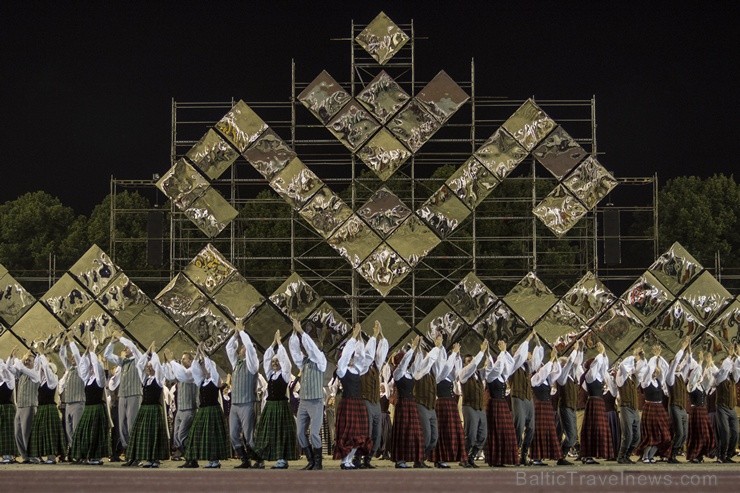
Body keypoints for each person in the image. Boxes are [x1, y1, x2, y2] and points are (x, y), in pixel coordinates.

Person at [253, 330, 297, 469]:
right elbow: (266, 359)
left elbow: (287, 363)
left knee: (281, 433)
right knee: (265, 432)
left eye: (277, 361)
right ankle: (261, 459)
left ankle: (282, 460)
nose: (275, 363)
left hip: (281, 406)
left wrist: (279, 344)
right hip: (270, 407)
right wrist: (273, 344)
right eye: (274, 361)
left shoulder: (284, 375)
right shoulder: (270, 375)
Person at [288, 319, 327, 470]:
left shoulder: (321, 360)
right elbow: (294, 352)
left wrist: (302, 332)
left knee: (314, 434)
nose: (307, 349)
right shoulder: (303, 362)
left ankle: (318, 463)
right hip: (304, 402)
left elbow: (313, 350)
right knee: (300, 433)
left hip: (316, 401)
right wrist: (294, 334)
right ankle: (311, 460)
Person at [183, 346, 230, 469]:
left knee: (212, 435)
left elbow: (212, 369)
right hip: (203, 410)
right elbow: (195, 369)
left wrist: (204, 355)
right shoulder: (202, 381)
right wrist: (198, 355)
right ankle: (209, 459)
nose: (203, 368)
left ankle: (215, 460)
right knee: (200, 434)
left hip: (212, 410)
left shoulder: (214, 380)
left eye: (204, 367)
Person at [333, 324, 373, 469]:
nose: (351, 359)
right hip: (348, 402)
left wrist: (359, 339)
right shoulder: (342, 370)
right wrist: (352, 338)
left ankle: (350, 459)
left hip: (358, 403)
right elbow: (344, 359)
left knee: (359, 434)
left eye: (351, 357)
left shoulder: (358, 369)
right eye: (349, 357)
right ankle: (345, 460)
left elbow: (362, 357)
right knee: (348, 432)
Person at [123, 343, 169, 468]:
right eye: (147, 367)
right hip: (145, 409)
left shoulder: (159, 379)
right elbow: (139, 365)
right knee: (145, 434)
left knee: (154, 434)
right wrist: (147, 353)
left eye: (150, 367)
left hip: (154, 408)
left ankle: (154, 459)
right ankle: (147, 458)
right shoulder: (145, 379)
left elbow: (158, 367)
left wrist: (153, 354)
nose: (148, 369)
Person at [68, 336, 111, 465]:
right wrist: (74, 344)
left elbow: (98, 368)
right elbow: (81, 365)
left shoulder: (100, 379)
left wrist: (92, 353)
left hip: (97, 408)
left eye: (92, 366)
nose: (91, 368)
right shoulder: (87, 379)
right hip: (88, 408)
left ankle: (95, 457)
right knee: (82, 432)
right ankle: (82, 455)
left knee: (95, 433)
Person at [225, 326, 261, 469]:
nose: (241, 349)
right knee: (233, 435)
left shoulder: (252, 365)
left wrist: (242, 333)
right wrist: (235, 335)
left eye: (244, 347)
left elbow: (251, 350)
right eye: (241, 348)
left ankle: (259, 460)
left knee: (249, 436)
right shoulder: (236, 364)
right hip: (235, 405)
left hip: (247, 403)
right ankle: (245, 459)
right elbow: (228, 348)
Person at [430, 340, 470, 469]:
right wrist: (453, 353)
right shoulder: (438, 375)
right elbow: (446, 367)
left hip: (450, 404)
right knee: (443, 430)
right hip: (442, 404)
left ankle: (455, 457)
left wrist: (457, 356)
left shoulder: (449, 376)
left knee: (453, 431)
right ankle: (439, 458)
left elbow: (457, 371)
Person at [104, 331, 143, 455]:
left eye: (127, 348)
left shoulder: (138, 360)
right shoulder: (123, 361)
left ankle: (135, 452)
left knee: (132, 424)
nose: (125, 349)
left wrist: (121, 337)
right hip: (122, 395)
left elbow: (132, 346)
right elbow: (107, 355)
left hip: (134, 394)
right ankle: (127, 450)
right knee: (122, 425)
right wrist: (112, 343)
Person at [357, 320, 388, 469]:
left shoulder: (376, 365)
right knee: (366, 431)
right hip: (365, 401)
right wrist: (374, 335)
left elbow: (382, 351)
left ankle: (368, 458)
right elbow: (368, 354)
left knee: (377, 432)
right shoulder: (362, 366)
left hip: (375, 403)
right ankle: (358, 457)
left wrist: (380, 335)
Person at [390, 336, 424, 469]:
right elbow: (404, 362)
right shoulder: (397, 373)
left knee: (415, 432)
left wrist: (419, 349)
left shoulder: (410, 373)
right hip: (403, 403)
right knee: (404, 431)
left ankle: (417, 459)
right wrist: (413, 348)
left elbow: (417, 363)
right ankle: (400, 459)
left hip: (411, 404)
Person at [634, 345, 671, 464]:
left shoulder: (659, 382)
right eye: (655, 370)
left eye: (657, 370)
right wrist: (654, 358)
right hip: (650, 408)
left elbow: (666, 369)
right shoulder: (646, 382)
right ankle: (646, 456)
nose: (656, 371)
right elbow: (649, 369)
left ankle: (650, 455)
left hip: (659, 408)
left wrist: (659, 357)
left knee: (664, 435)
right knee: (651, 434)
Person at [28, 345, 66, 464]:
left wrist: (42, 354)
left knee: (50, 433)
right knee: (39, 432)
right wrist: (39, 355)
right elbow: (37, 368)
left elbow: (45, 367)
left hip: (50, 408)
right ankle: (37, 455)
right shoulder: (41, 379)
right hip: (42, 408)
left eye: (47, 369)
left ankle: (51, 456)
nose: (44, 370)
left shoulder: (53, 379)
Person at [483, 340, 518, 467]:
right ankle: (496, 458)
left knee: (506, 431)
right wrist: (502, 352)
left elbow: (510, 363)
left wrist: (505, 352)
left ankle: (504, 457)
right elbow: (497, 367)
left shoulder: (502, 377)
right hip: (495, 405)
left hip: (502, 404)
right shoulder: (491, 375)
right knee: (497, 431)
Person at [579, 342, 613, 464]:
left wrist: (604, 354)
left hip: (598, 404)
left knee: (598, 428)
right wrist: (600, 354)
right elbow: (597, 365)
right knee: (592, 428)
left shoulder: (598, 376)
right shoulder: (590, 376)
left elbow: (604, 366)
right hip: (593, 403)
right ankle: (587, 455)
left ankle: (589, 455)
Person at [529, 347, 564, 466]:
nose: (542, 367)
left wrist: (555, 360)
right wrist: (551, 359)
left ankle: (547, 455)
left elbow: (557, 372)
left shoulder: (547, 379)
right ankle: (536, 457)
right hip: (539, 406)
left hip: (547, 406)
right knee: (539, 431)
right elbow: (543, 373)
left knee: (549, 431)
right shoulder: (534, 378)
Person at [163, 349, 198, 463]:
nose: (182, 361)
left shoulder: (193, 372)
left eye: (184, 359)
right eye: (181, 359)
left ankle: (191, 457)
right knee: (176, 436)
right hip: (180, 409)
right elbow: (169, 377)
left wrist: (172, 361)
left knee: (182, 434)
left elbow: (184, 375)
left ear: (191, 360)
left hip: (189, 409)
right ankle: (188, 457)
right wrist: (167, 363)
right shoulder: (181, 373)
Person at [412, 335, 441, 468]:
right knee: (426, 435)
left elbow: (438, 364)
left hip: (431, 407)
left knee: (434, 438)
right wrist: (437, 347)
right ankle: (419, 460)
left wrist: (439, 348)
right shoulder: (419, 372)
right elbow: (428, 361)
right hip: (421, 404)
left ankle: (422, 457)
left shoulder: (432, 373)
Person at [457, 340, 488, 468]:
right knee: (470, 434)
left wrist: (487, 355)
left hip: (480, 407)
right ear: (465, 364)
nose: (471, 364)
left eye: (471, 361)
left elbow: (489, 368)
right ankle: (463, 458)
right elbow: (473, 366)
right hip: (469, 406)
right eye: (468, 362)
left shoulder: (479, 375)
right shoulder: (463, 374)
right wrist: (481, 351)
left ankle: (471, 457)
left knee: (482, 435)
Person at [510, 331, 537, 466]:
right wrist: (528, 338)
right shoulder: (513, 365)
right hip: (518, 397)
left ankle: (524, 453)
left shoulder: (526, 366)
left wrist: (537, 342)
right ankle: (516, 454)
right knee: (519, 426)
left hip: (528, 397)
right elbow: (520, 355)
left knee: (531, 427)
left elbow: (536, 361)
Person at [555, 340, 584, 465]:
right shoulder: (561, 377)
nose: (569, 365)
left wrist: (581, 349)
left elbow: (576, 363)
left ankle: (561, 456)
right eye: (566, 363)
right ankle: (560, 456)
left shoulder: (571, 377)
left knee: (572, 436)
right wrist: (575, 349)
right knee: (571, 436)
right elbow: (571, 363)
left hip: (570, 407)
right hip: (565, 407)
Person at [615, 345, 645, 464]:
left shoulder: (634, 379)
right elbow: (623, 366)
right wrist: (634, 355)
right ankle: (621, 456)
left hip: (634, 409)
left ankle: (627, 455)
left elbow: (642, 368)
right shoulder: (621, 378)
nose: (633, 366)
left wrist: (640, 357)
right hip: (625, 407)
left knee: (636, 437)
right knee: (628, 434)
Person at [711, 341, 739, 463]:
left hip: (731, 408)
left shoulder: (734, 377)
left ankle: (728, 455)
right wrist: (729, 356)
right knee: (725, 433)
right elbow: (724, 370)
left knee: (736, 433)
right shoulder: (719, 377)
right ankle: (721, 456)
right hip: (722, 407)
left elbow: (737, 368)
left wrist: (736, 356)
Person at [685, 350, 716, 463]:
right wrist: (700, 361)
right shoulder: (691, 386)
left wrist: (709, 364)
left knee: (705, 433)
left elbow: (712, 379)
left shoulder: (702, 386)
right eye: (696, 374)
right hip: (696, 411)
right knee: (697, 434)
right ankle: (695, 455)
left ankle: (701, 454)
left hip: (703, 411)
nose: (698, 375)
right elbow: (695, 374)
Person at [11, 349, 40, 463]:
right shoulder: (22, 374)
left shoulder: (34, 374)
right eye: (26, 360)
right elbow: (11, 369)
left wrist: (21, 360)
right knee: (17, 432)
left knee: (26, 433)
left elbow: (21, 367)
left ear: (34, 362)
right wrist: (13, 358)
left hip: (29, 405)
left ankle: (32, 456)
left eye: (29, 360)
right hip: (20, 406)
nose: (27, 362)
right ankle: (24, 456)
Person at [666, 337, 691, 463]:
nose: (677, 365)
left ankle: (674, 454)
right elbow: (676, 361)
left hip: (682, 408)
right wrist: (682, 347)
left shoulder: (681, 376)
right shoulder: (670, 378)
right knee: (680, 433)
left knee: (684, 434)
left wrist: (689, 348)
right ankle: (671, 455)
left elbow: (689, 363)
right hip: (674, 406)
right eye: (674, 365)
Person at [59, 338, 86, 458]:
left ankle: (80, 453)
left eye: (74, 358)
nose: (72, 359)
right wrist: (63, 345)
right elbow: (62, 356)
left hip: (78, 402)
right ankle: (74, 452)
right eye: (72, 358)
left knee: (76, 429)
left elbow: (77, 356)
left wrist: (71, 342)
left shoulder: (82, 369)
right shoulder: (70, 369)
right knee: (69, 430)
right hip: (69, 403)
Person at [0, 355, 19, 463]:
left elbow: (5, 371)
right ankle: (3, 454)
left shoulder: (9, 381)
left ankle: (8, 455)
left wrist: (3, 363)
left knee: (7, 432)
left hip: (7, 409)